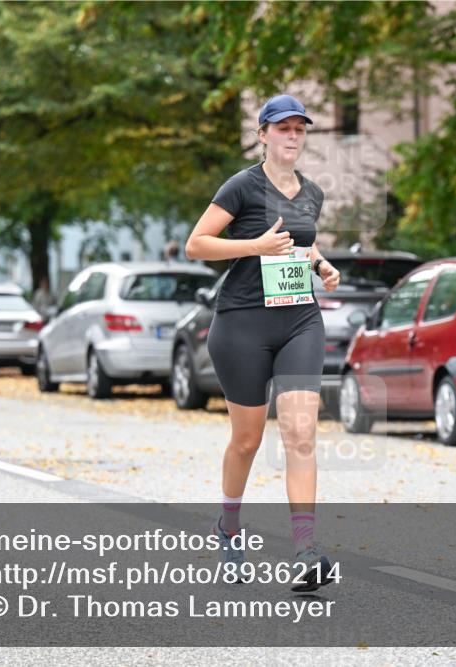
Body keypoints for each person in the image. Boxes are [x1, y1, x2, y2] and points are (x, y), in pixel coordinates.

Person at [185, 94, 341, 592]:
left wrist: (320, 264)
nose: (293, 136)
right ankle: (228, 530)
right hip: (242, 324)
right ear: (264, 134)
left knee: (299, 433)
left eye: (300, 129)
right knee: (248, 440)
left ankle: (305, 551)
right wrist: (254, 246)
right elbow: (197, 244)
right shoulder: (242, 186)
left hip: (298, 321)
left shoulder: (312, 192)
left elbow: (301, 239)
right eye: (283, 128)